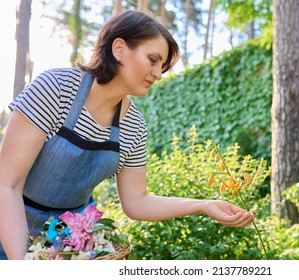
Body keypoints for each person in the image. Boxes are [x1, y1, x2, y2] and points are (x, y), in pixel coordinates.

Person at [0, 10, 254, 260]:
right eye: (153, 60)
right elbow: (6, 185)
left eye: (162, 66)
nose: (158, 73)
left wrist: (203, 205)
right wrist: (25, 264)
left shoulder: (134, 126)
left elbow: (137, 202)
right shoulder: (55, 89)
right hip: (8, 224)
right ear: (119, 48)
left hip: (68, 244)